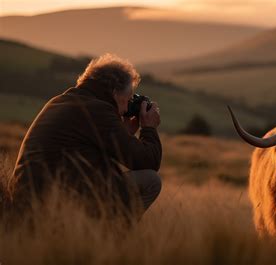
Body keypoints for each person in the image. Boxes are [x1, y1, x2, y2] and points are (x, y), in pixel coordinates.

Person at [10, 54, 162, 219]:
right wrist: (149, 128)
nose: (126, 109)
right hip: (53, 200)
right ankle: (114, 238)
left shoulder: (60, 101)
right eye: (127, 99)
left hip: (24, 196)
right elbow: (148, 162)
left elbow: (88, 154)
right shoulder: (98, 111)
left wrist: (123, 133)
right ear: (114, 93)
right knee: (151, 181)